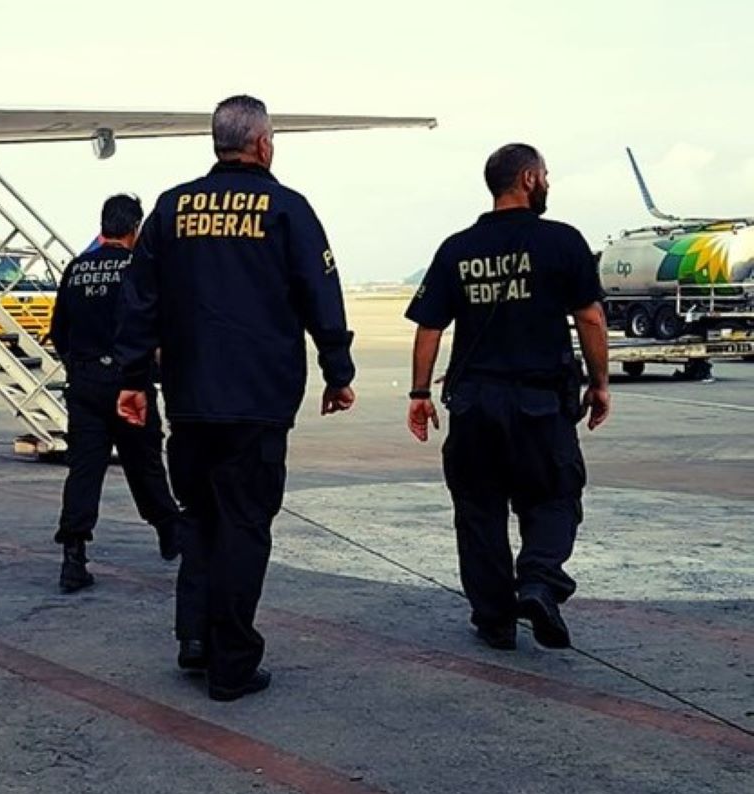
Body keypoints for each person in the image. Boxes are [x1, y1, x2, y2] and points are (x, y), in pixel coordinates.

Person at [115, 95, 356, 701]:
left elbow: (139, 301)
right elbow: (319, 293)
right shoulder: (287, 209)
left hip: (191, 398)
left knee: (200, 518)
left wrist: (132, 380)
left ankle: (195, 638)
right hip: (258, 400)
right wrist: (337, 368)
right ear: (264, 144)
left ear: (217, 142)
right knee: (246, 525)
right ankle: (232, 661)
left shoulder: (171, 209)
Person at [404, 143, 611, 651]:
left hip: (474, 405)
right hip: (540, 404)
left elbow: (429, 327)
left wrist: (418, 392)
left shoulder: (456, 248)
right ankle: (539, 581)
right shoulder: (562, 242)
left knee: (479, 510)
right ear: (527, 178)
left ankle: (495, 618)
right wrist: (600, 383)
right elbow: (590, 317)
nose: (547, 182)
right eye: (544, 174)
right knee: (555, 497)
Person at [49, 194, 183, 593]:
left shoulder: (76, 269)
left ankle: (73, 555)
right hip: (130, 381)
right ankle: (169, 531)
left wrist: (79, 365)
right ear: (134, 228)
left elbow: (60, 332)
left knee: (84, 470)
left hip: (86, 383)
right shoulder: (139, 267)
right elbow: (155, 323)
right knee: (144, 463)